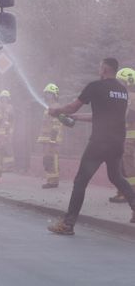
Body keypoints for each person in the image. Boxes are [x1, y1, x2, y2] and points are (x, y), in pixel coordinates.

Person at [47, 58, 135, 235]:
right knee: (117, 177)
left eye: (99, 67)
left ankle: (67, 224)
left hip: (99, 143)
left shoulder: (95, 86)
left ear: (103, 69)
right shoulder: (122, 91)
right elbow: (105, 115)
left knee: (80, 181)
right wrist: (78, 118)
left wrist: (57, 111)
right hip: (117, 143)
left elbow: (72, 107)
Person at [109, 67, 135, 203]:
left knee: (126, 165)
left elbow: (130, 116)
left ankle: (129, 192)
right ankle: (123, 191)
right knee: (120, 165)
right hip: (122, 136)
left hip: (128, 138)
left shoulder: (131, 97)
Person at [37, 83, 63, 189]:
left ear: (55, 95)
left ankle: (53, 182)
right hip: (47, 138)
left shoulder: (56, 107)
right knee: (47, 159)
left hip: (52, 139)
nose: (48, 96)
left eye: (50, 94)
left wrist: (52, 139)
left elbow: (56, 124)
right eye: (46, 94)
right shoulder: (49, 107)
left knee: (52, 158)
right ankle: (50, 180)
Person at [0, 90, 15, 172]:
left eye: (6, 98)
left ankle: (9, 166)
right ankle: (3, 165)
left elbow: (12, 120)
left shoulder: (10, 107)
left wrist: (10, 131)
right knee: (1, 148)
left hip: (7, 130)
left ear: (8, 99)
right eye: (3, 98)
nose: (4, 99)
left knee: (7, 148)